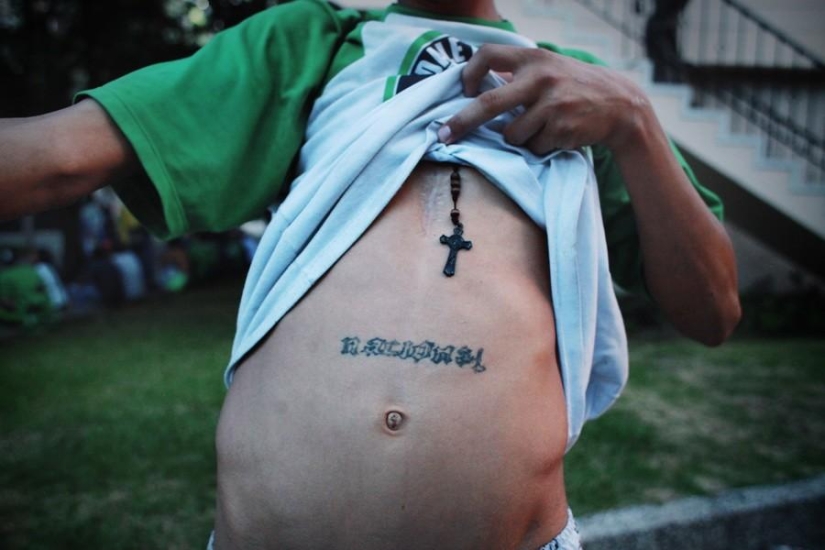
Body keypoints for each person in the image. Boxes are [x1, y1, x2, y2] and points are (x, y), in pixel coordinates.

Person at [0, 0, 741, 548]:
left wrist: (634, 122)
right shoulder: (311, 46)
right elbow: (54, 158)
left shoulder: (584, 96)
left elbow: (712, 311)